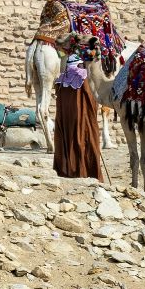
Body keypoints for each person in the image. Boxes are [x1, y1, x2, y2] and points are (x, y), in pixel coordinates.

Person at [52, 35, 106, 182]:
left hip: (75, 87)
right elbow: (59, 49)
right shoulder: (70, 44)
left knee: (79, 127)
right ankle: (76, 169)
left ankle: (78, 169)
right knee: (77, 127)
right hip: (74, 87)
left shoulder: (92, 44)